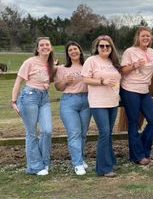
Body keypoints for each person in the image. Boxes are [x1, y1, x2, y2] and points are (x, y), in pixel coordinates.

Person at [10, 37, 55, 175]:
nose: (45, 47)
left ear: (51, 47)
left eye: (47, 44)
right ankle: (35, 167)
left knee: (47, 130)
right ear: (37, 48)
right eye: (42, 45)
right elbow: (18, 81)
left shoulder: (51, 64)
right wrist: (13, 101)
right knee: (31, 133)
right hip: (29, 97)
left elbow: (49, 78)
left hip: (44, 99)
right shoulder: (29, 62)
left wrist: (47, 84)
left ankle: (44, 162)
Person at [81, 35, 121, 177]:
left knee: (108, 132)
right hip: (98, 102)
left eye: (107, 46)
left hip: (113, 101)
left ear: (111, 48)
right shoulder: (91, 61)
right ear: (97, 48)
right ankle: (103, 168)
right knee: (104, 132)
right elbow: (85, 78)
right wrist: (102, 82)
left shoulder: (113, 61)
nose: (104, 48)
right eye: (101, 46)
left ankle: (109, 162)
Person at [120, 26, 153, 165]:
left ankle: (141, 149)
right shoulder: (130, 52)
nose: (145, 38)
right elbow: (122, 70)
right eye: (143, 36)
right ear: (138, 37)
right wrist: (135, 65)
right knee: (134, 122)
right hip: (130, 89)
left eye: (148, 36)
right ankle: (139, 156)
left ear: (151, 38)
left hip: (144, 90)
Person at [55, 41, 91, 176]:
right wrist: (64, 81)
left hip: (86, 100)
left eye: (75, 49)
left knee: (83, 133)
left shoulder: (87, 66)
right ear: (67, 53)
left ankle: (80, 158)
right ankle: (77, 164)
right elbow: (58, 87)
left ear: (80, 51)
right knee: (74, 132)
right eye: (70, 50)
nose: (73, 51)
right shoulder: (62, 68)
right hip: (69, 101)